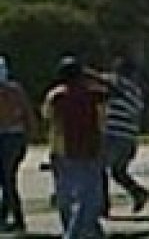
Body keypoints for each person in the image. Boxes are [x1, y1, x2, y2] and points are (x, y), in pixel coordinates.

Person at [44, 56, 109, 239]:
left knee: (66, 199)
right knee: (89, 199)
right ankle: (77, 233)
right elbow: (102, 123)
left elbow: (50, 122)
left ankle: (75, 232)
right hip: (91, 150)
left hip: (63, 151)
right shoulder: (96, 95)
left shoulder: (56, 96)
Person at [99, 57, 149, 215]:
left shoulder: (110, 81)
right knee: (118, 171)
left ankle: (102, 205)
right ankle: (138, 192)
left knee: (99, 168)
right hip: (129, 137)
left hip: (111, 133)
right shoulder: (136, 90)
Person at [0, 56, 36, 233]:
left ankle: (17, 218)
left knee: (7, 178)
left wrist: (28, 135)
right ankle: (6, 216)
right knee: (6, 179)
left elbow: (27, 114)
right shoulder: (16, 90)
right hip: (12, 137)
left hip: (12, 137)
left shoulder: (15, 91)